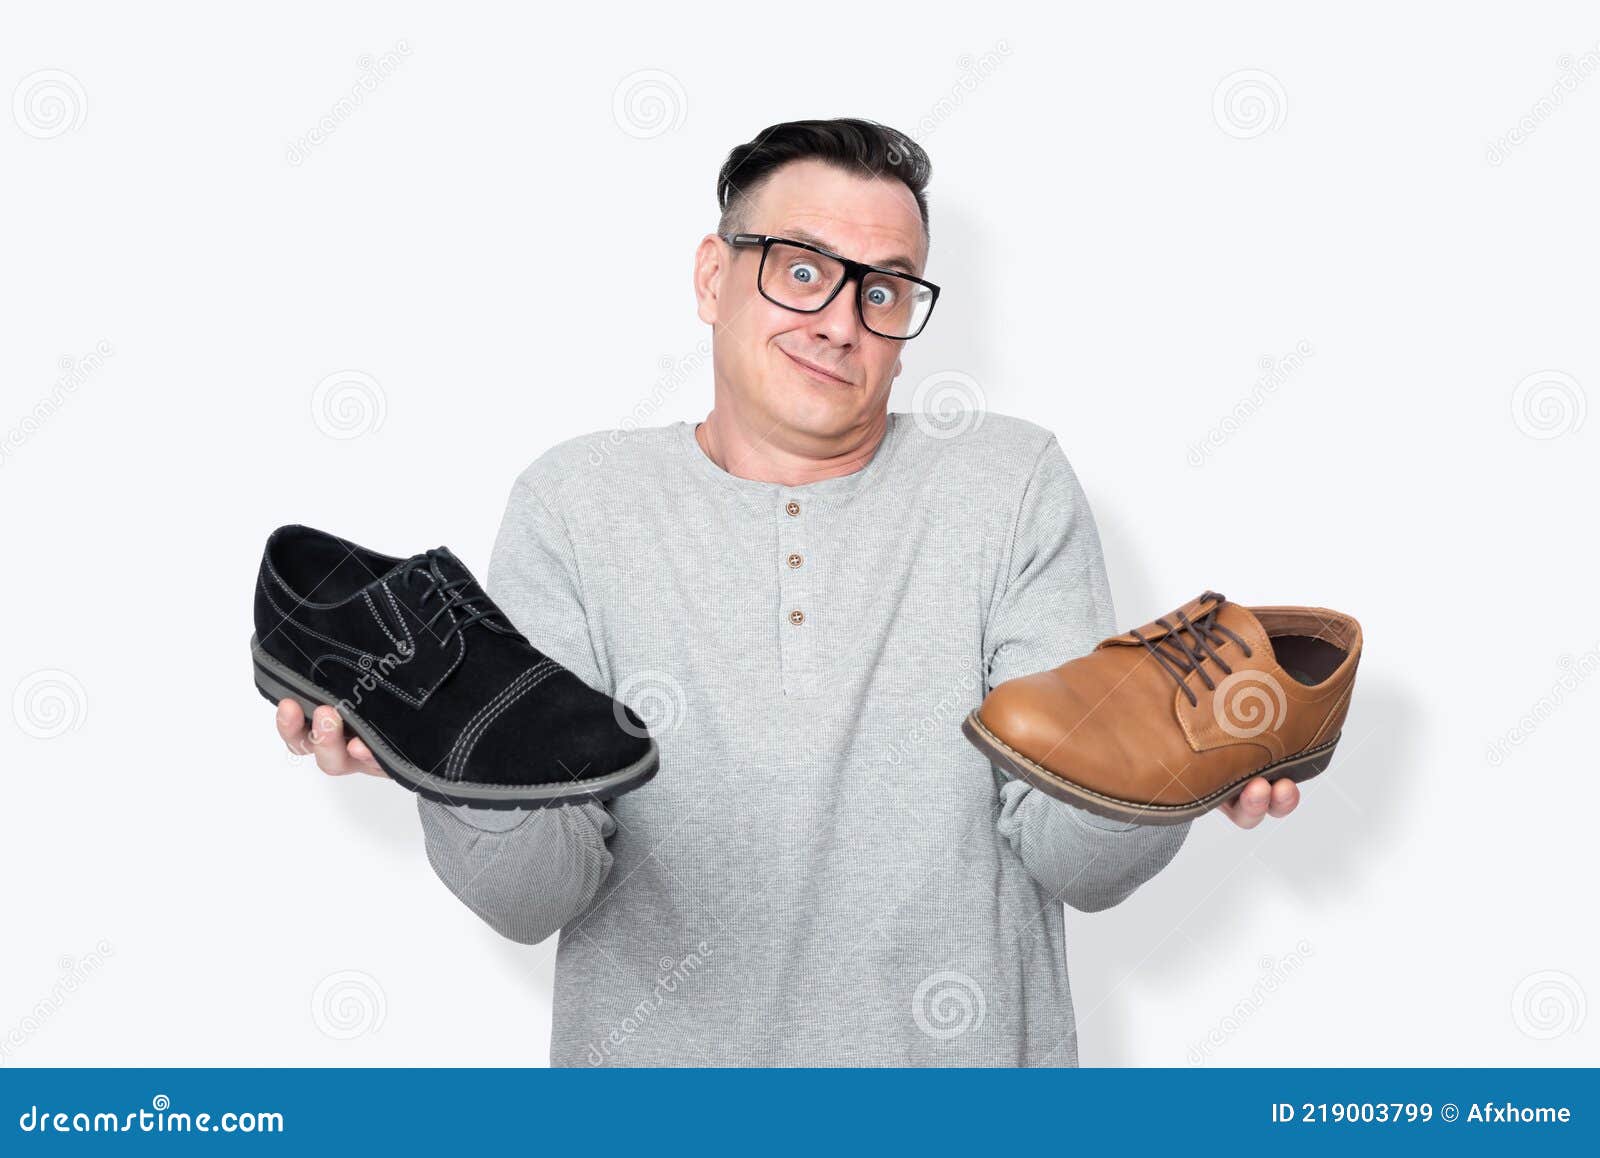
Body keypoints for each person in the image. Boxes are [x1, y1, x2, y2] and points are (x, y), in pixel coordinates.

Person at [273, 118, 1301, 1066]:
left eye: (884, 289)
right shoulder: (576, 503)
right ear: (713, 276)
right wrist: (457, 774)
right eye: (802, 270)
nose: (841, 322)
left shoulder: (1008, 484)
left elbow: (1073, 861)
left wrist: (1165, 772)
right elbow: (537, 893)